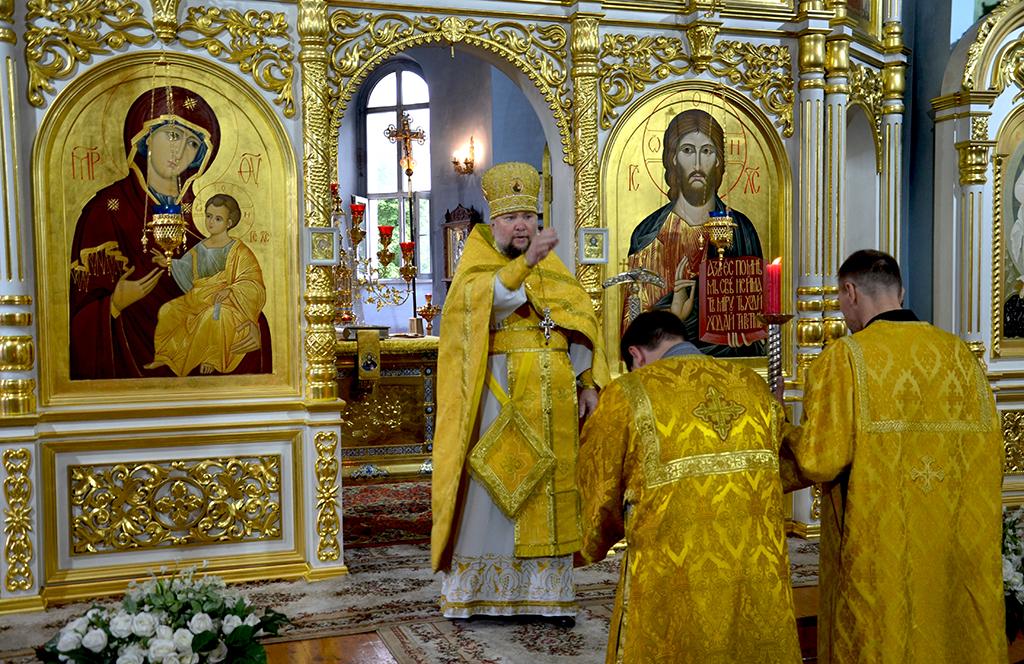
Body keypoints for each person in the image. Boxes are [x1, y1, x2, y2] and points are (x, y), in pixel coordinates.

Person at [784, 249, 1004, 663]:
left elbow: (818, 459)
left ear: (850, 292)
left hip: (882, 550)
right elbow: (991, 452)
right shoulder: (961, 356)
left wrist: (777, 432)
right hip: (955, 545)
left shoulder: (846, 358)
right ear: (900, 292)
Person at [432, 161, 610, 624]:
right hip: (495, 400)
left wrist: (587, 382)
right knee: (492, 489)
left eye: (528, 217)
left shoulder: (551, 266)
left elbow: (578, 321)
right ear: (494, 222)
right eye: (511, 218)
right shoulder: (478, 260)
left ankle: (545, 595)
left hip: (552, 401)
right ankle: (478, 593)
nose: (521, 225)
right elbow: (481, 303)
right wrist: (524, 265)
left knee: (546, 490)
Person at [576, 310, 801, 663]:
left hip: (671, 570)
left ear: (635, 355)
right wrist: (776, 412)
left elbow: (600, 487)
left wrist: (590, 543)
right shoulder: (751, 385)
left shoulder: (628, 393)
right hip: (752, 571)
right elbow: (784, 465)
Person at [68, 86, 271, 379]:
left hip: (208, 340)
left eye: (192, 143)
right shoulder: (106, 210)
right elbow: (79, 315)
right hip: (126, 363)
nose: (180, 151)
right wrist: (114, 304)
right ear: (146, 135)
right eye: (173, 135)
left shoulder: (205, 215)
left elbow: (234, 285)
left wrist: (252, 323)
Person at [627, 108, 763, 356]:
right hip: (666, 366)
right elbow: (632, 328)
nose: (698, 164)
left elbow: (755, 313)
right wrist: (675, 315)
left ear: (718, 160)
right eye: (688, 150)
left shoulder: (742, 230)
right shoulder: (648, 236)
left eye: (707, 151)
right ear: (673, 158)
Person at [146, 194, 268, 376]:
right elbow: (186, 267)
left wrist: (230, 290)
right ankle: (166, 356)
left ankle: (211, 357)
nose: (211, 222)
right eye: (209, 216)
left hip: (227, 303)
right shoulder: (200, 247)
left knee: (213, 316)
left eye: (218, 218)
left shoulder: (239, 250)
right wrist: (168, 262)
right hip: (198, 298)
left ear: (229, 223)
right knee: (168, 311)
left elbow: (252, 282)